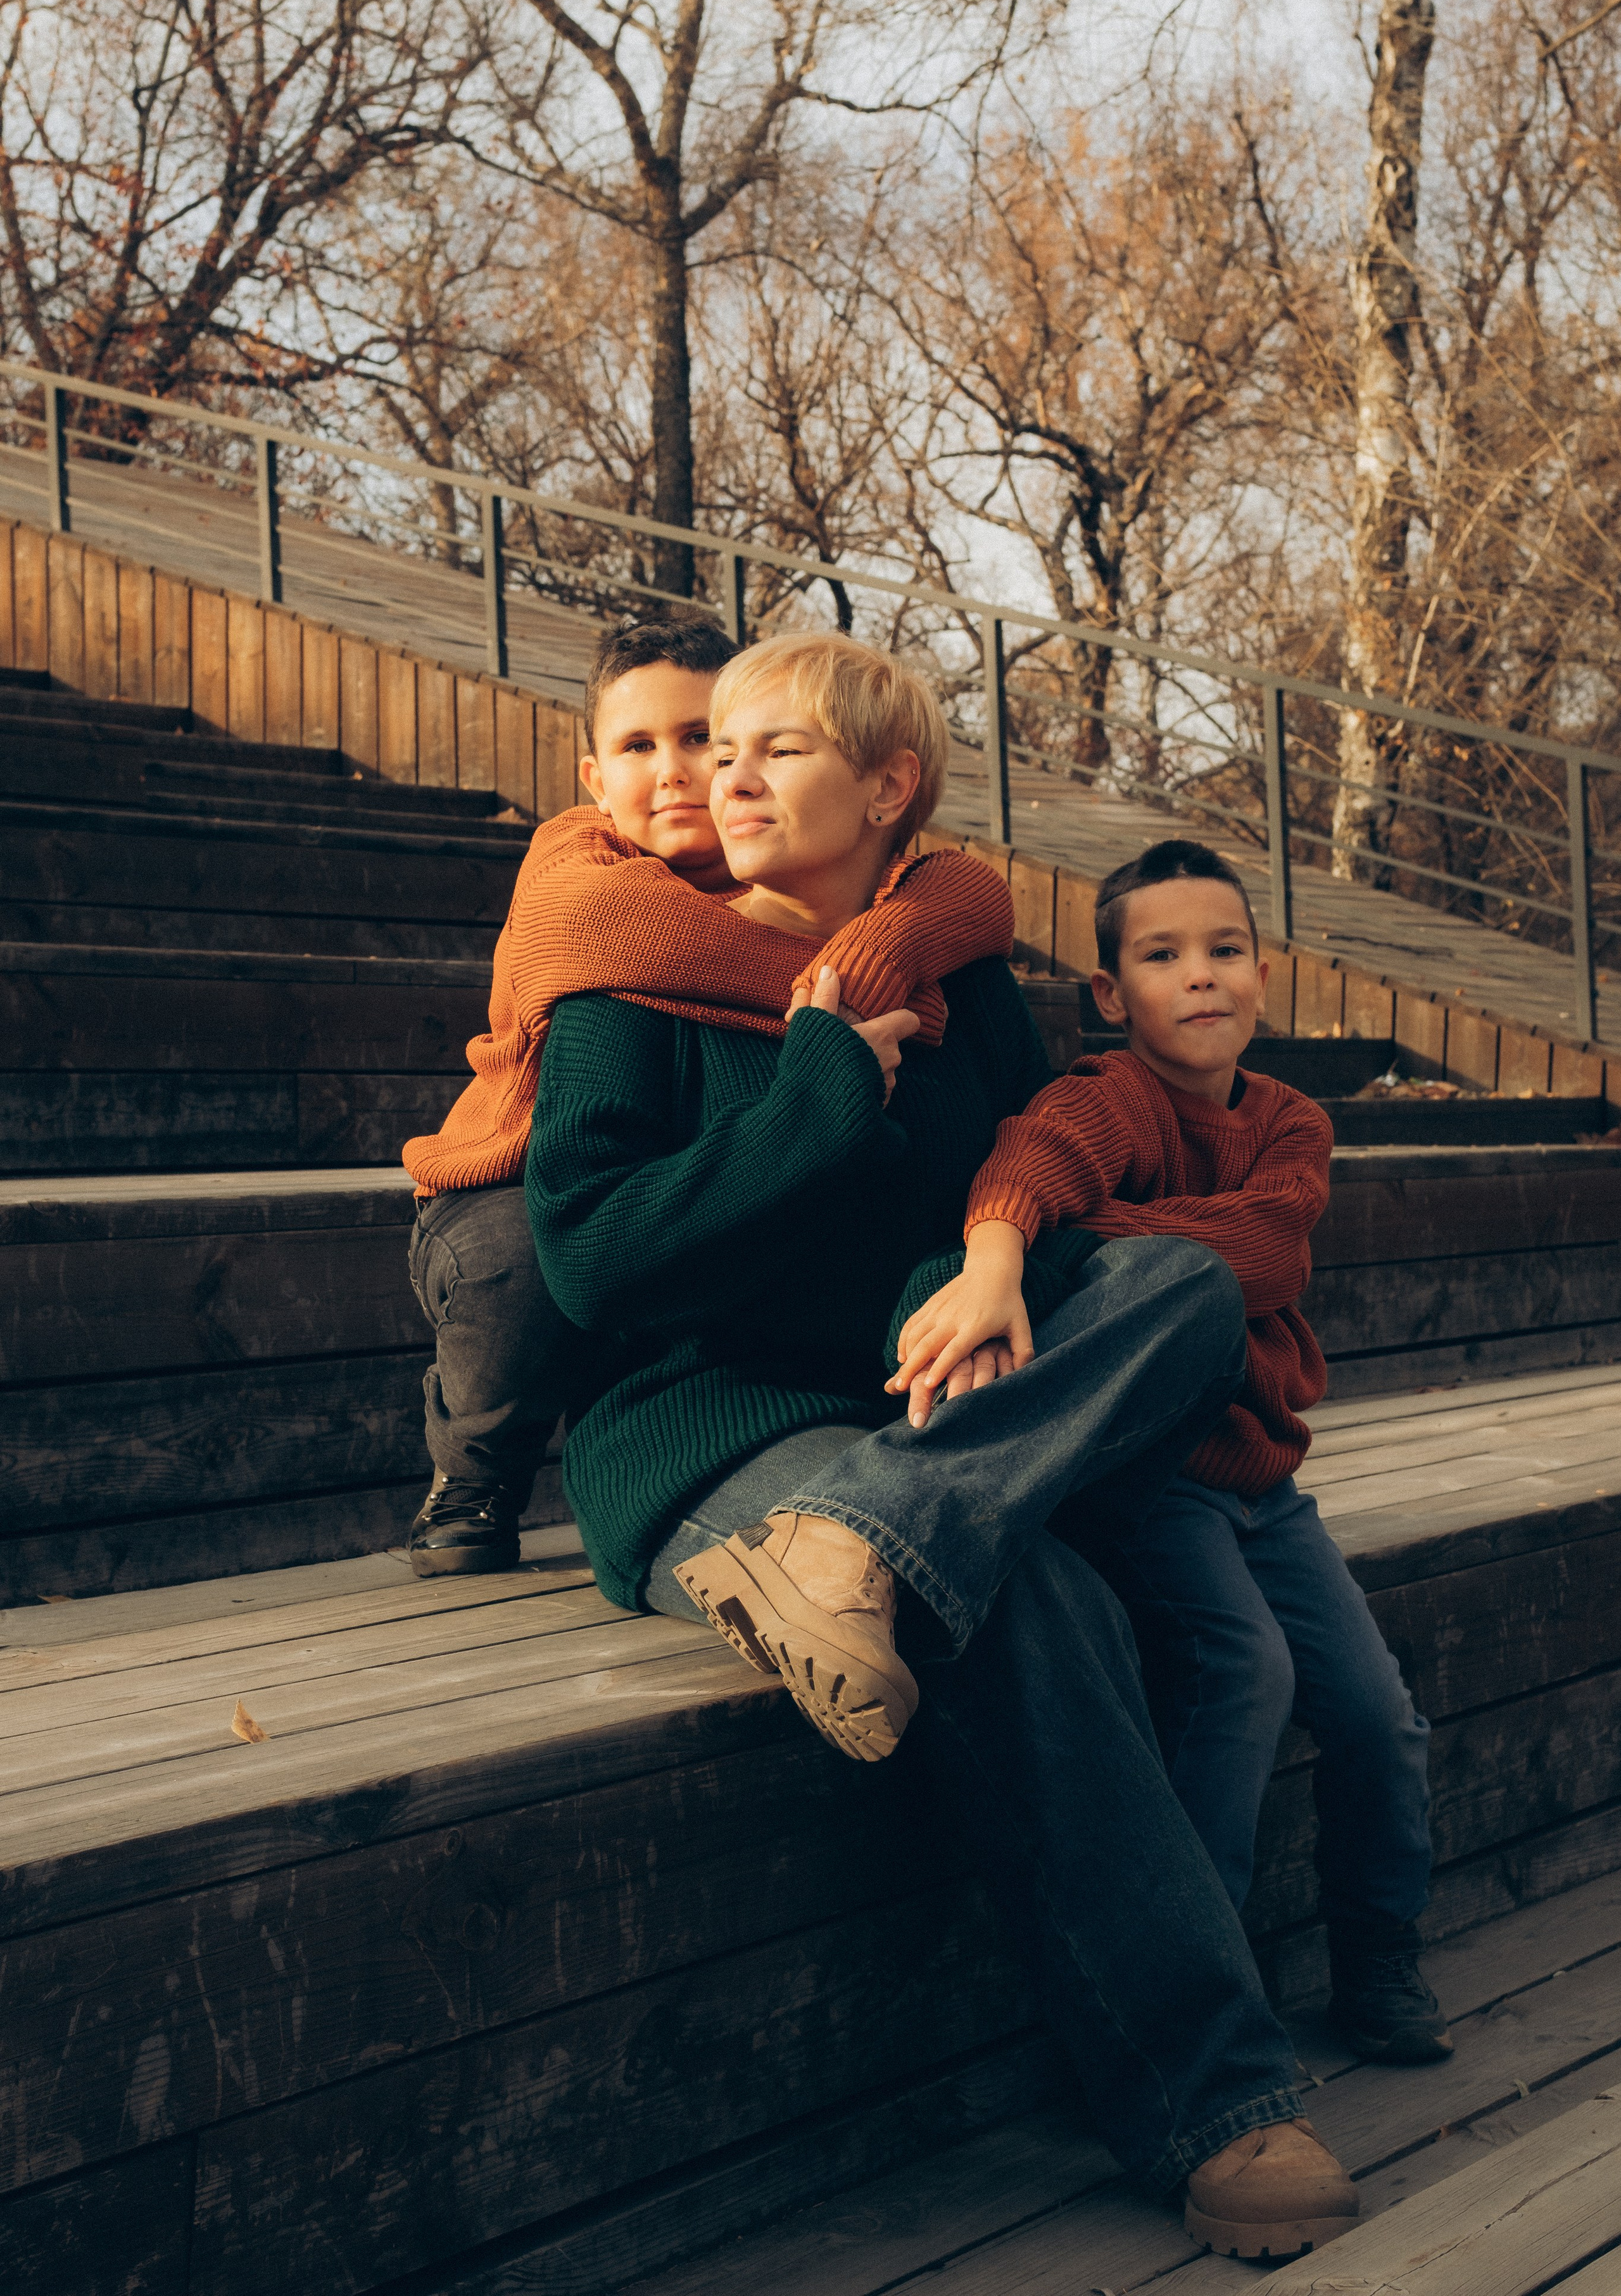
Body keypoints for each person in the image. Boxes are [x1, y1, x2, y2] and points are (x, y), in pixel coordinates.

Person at [527, 639, 1362, 2264]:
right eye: (717, 749)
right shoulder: (621, 983)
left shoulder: (955, 977)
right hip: (708, 1432)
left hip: (903, 1424)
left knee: (1176, 1282)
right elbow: (595, 1267)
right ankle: (1217, 2099)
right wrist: (818, 1085)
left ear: (887, 789)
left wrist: (966, 1282)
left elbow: (986, 1197)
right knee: (1025, 1603)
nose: (724, 776)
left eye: (773, 750)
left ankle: (877, 1535)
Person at [890, 835, 1448, 2070]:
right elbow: (1030, 1170)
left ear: (1262, 975)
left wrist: (1099, 1235)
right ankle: (1200, 1985)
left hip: (1266, 1481)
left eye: (1222, 951)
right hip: (1154, 1482)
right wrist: (1010, 1248)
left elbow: (1264, 1257)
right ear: (1108, 994)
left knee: (1374, 1713)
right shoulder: (1102, 1099)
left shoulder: (1288, 1121)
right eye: (1160, 956)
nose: (1197, 976)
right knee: (1238, 1673)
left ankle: (1377, 1955)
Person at [399, 609, 1011, 1576]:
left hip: (706, 1229)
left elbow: (971, 891)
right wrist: (842, 996)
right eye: (642, 746)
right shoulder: (593, 883)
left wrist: (889, 936)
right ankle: (476, 1474)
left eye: (706, 739)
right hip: (495, 1175)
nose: (689, 773)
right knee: (520, 1260)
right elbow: (669, 950)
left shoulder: (775, 869)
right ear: (596, 783)